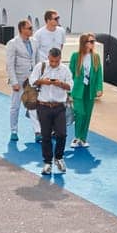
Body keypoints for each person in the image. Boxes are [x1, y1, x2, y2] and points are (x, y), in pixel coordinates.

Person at [30, 46, 72, 175]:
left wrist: (60, 84)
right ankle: (47, 162)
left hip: (59, 106)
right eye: (52, 61)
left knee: (62, 134)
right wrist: (44, 82)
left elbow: (70, 86)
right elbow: (32, 81)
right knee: (46, 136)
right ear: (48, 58)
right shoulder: (40, 67)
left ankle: (58, 157)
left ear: (60, 59)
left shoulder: (65, 70)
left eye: (57, 61)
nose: (54, 64)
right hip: (43, 106)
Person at [68, 32, 104, 149]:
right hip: (78, 90)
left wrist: (99, 88)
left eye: (94, 41)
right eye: (91, 42)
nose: (93, 44)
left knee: (87, 114)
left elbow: (99, 74)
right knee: (80, 113)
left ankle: (83, 139)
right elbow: (70, 74)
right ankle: (77, 137)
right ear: (84, 43)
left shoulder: (96, 57)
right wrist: (69, 91)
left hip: (90, 90)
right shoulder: (75, 56)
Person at [4, 19, 38, 142]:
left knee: (34, 105)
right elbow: (10, 64)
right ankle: (14, 130)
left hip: (32, 80)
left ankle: (37, 131)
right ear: (22, 29)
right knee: (15, 106)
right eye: (29, 28)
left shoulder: (34, 42)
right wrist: (14, 82)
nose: (31, 30)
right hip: (19, 79)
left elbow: (36, 60)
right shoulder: (12, 43)